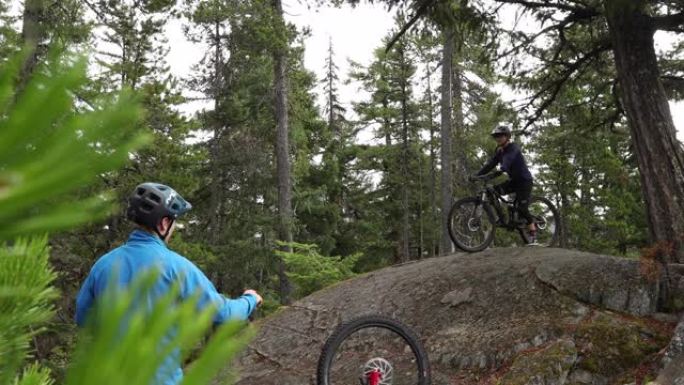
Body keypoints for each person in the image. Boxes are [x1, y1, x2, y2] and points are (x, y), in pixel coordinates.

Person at [75, 182, 263, 385]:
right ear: (163, 224)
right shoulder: (176, 267)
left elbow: (83, 319)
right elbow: (223, 313)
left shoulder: (103, 265)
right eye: (174, 221)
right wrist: (250, 299)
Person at [472, 125, 537, 244]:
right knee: (493, 191)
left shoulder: (513, 148)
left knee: (522, 208)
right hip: (513, 182)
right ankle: (502, 219)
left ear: (507, 137)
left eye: (500, 136)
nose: (498, 138)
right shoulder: (500, 151)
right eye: (496, 136)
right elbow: (490, 165)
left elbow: (507, 161)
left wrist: (499, 171)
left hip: (524, 181)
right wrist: (477, 175)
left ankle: (532, 227)